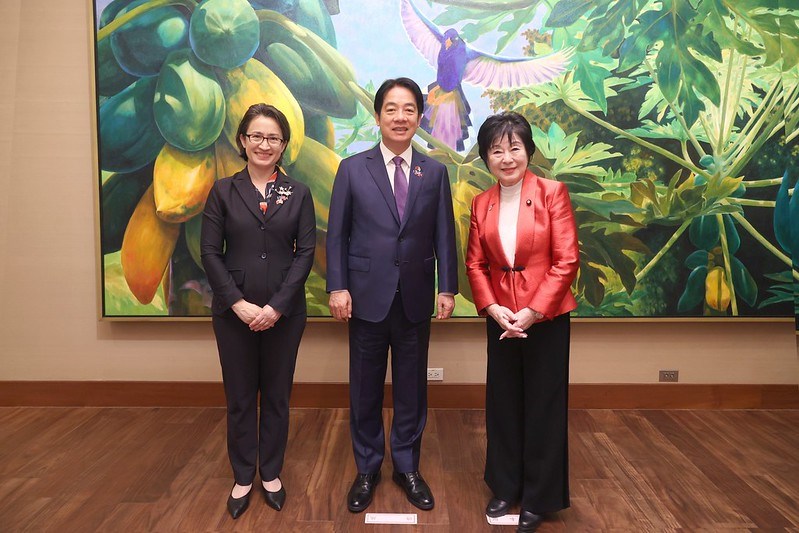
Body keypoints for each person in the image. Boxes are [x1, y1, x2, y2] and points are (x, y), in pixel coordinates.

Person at [326, 77, 458, 513]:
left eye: (409, 109)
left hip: (416, 297)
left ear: (420, 117)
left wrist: (447, 288)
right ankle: (367, 468)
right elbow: (337, 235)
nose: (400, 117)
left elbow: (444, 234)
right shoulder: (352, 168)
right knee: (364, 388)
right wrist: (338, 286)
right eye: (391, 108)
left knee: (411, 389)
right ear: (378, 115)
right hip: (364, 297)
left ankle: (407, 467)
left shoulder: (435, 172)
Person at [201, 103, 316, 519]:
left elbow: (305, 254)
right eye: (257, 136)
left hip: (285, 315)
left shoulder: (298, 192)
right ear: (243, 141)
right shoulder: (223, 191)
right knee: (240, 397)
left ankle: (271, 473)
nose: (264, 144)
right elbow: (210, 253)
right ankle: (243, 475)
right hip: (234, 314)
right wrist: (238, 303)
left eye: (273, 138)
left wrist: (277, 307)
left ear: (283, 145)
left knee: (278, 396)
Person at [465, 112, 579, 533]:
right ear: (486, 158)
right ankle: (505, 485)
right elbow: (475, 264)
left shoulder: (552, 193)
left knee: (544, 406)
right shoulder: (481, 202)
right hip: (501, 319)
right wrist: (494, 310)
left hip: (545, 317)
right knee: (503, 402)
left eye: (514, 147)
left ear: (528, 151)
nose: (507, 157)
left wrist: (533, 312)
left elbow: (567, 260)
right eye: (496, 150)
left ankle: (540, 496)